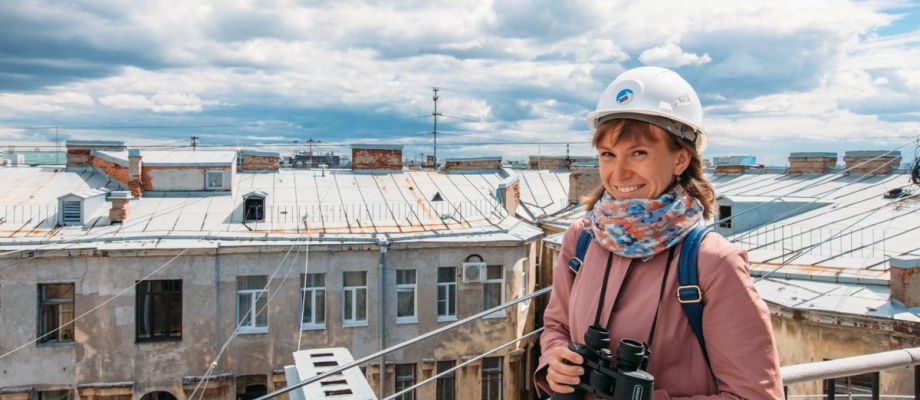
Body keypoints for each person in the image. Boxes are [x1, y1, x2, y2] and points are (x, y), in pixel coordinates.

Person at [534, 66, 784, 400]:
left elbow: (757, 395)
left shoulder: (712, 262)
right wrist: (555, 357)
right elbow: (557, 327)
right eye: (608, 154)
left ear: (681, 159)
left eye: (639, 153)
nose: (619, 172)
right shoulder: (582, 238)